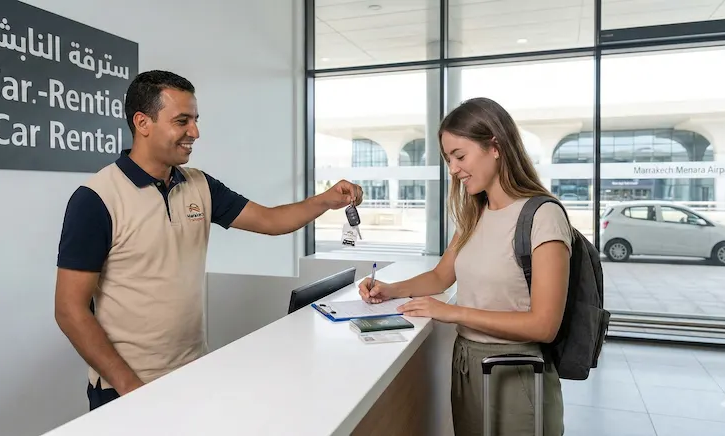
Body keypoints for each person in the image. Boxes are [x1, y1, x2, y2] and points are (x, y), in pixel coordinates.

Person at [54, 70, 363, 411]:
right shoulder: (96, 198)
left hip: (192, 373)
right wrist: (130, 388)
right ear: (143, 122)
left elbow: (271, 220)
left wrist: (326, 200)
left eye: (195, 120)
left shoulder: (199, 185)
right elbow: (70, 310)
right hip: (125, 389)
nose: (195, 132)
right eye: (182, 121)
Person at [359, 97, 569, 436]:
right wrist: (389, 290)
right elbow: (442, 275)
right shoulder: (476, 213)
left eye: (460, 156)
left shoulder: (543, 216)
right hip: (467, 364)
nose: (453, 169)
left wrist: (454, 312)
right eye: (448, 159)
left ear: (495, 147)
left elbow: (544, 326)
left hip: (515, 371)